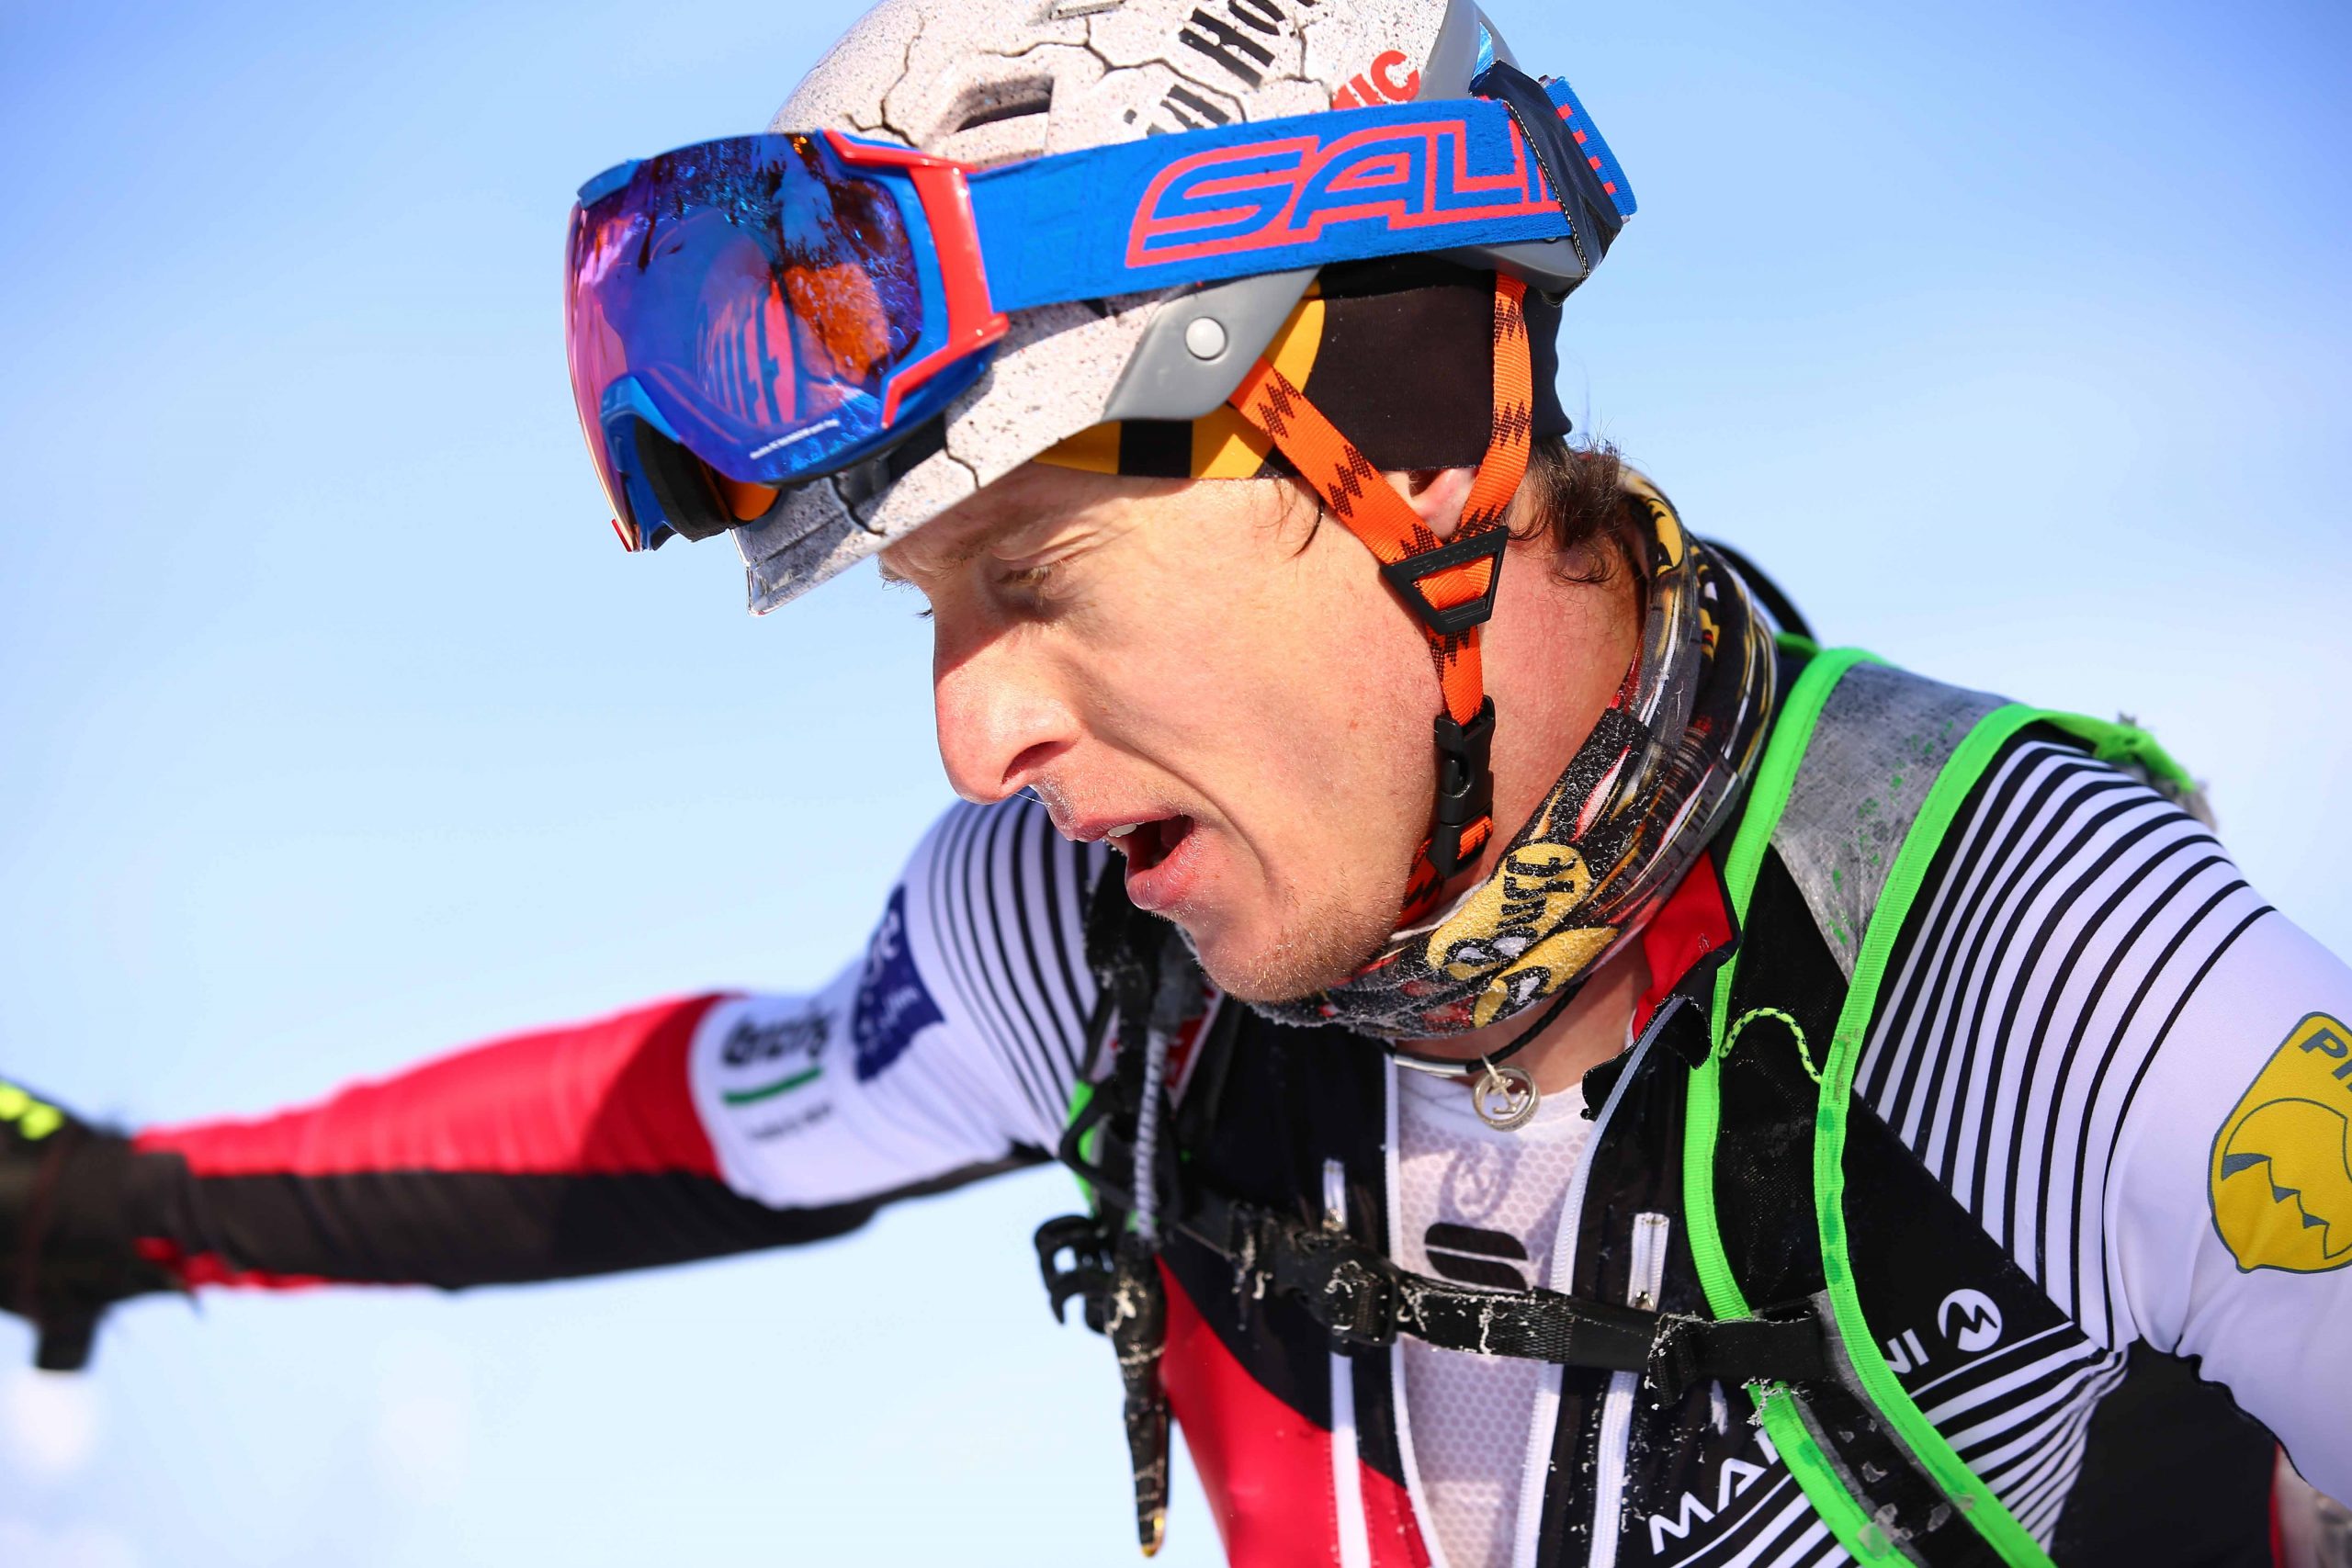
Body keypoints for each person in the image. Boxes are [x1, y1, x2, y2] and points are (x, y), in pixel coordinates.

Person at [5, 1, 2347, 1563]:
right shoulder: (1084, 944)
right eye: (928, 602)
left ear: (1417, 436)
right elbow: (698, 1125)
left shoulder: (2022, 951)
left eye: (1036, 560)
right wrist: (110, 1199)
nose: (968, 725)